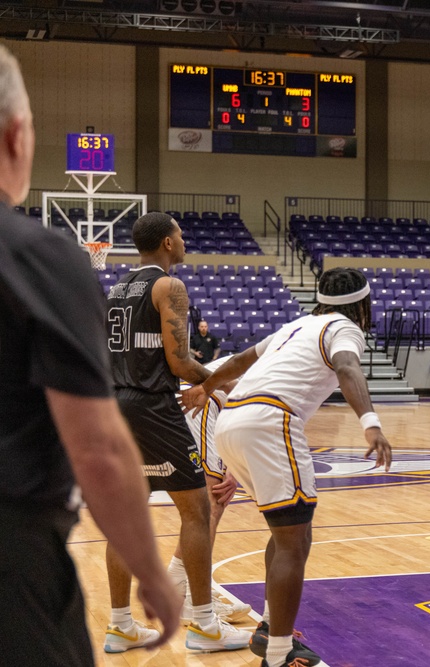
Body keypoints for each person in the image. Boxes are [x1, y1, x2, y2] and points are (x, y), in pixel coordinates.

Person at [0, 44, 180, 664]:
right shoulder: (37, 257)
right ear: (17, 135)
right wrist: (151, 569)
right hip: (12, 564)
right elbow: (98, 450)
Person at [181, 267, 393, 667]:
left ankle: (267, 629)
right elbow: (348, 368)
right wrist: (371, 424)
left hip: (233, 418)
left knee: (289, 532)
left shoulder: (299, 324)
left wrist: (206, 387)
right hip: (269, 420)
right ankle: (278, 655)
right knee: (294, 544)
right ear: (362, 304)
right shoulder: (344, 329)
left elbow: (242, 360)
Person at [105, 212, 252, 652]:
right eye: (181, 235)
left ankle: (119, 625)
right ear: (167, 243)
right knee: (198, 511)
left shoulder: (116, 288)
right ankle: (205, 625)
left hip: (117, 405)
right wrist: (218, 384)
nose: (184, 240)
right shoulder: (169, 286)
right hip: (153, 406)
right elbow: (179, 363)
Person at [169, 355, 251, 624]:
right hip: (205, 400)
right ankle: (196, 600)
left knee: (202, 510)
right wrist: (234, 467)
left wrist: (232, 466)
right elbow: (250, 420)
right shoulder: (289, 371)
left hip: (199, 397)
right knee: (210, 507)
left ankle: (175, 585)